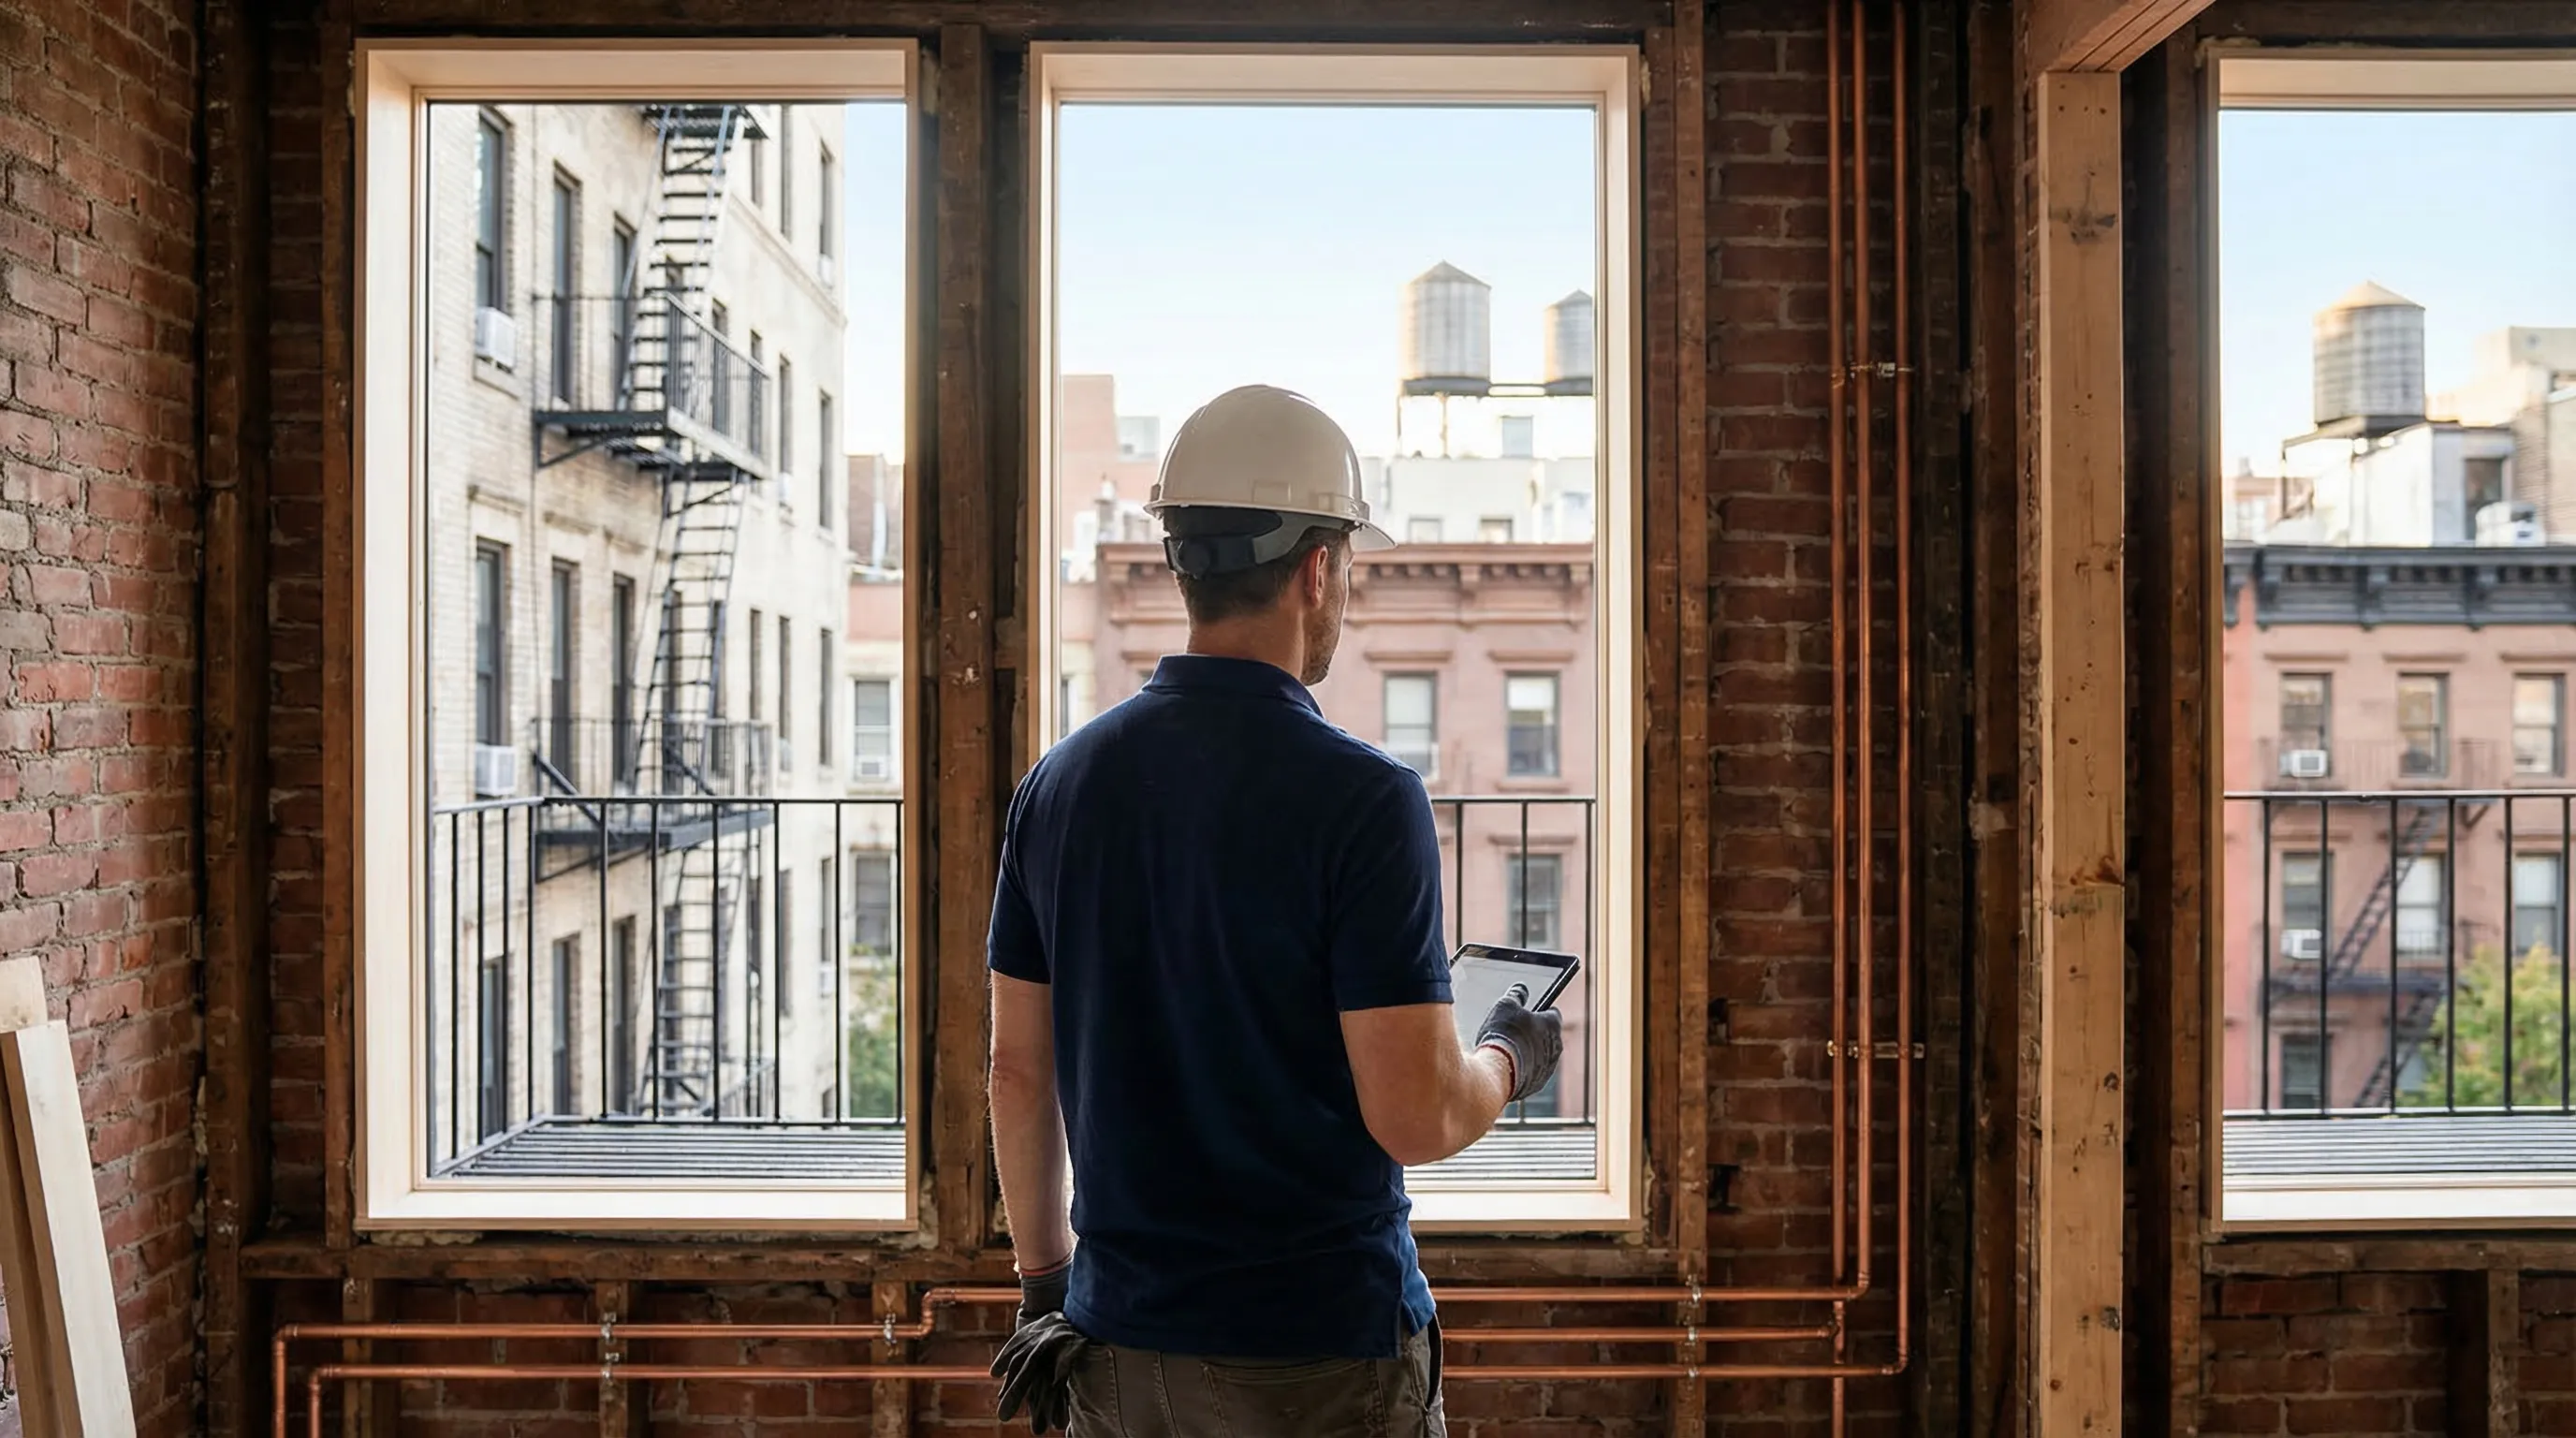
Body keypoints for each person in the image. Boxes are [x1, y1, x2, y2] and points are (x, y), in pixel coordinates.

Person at [985, 385, 1566, 1436]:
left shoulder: (1059, 786)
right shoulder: (1365, 799)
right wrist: (1507, 1055)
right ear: (1317, 569)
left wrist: (1043, 1286)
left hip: (1117, 1347)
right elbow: (1416, 1115)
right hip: (1319, 1356)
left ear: (1181, 566)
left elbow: (1017, 1073)